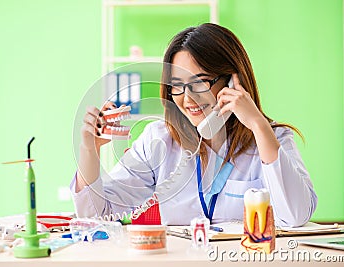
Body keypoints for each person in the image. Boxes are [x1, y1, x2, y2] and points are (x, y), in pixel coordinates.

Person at [70, 23, 317, 226]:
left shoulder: (273, 138)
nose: (188, 99)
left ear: (233, 82)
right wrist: (89, 150)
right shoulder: (159, 139)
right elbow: (96, 216)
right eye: (177, 85)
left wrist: (258, 125)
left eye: (200, 82)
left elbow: (295, 216)